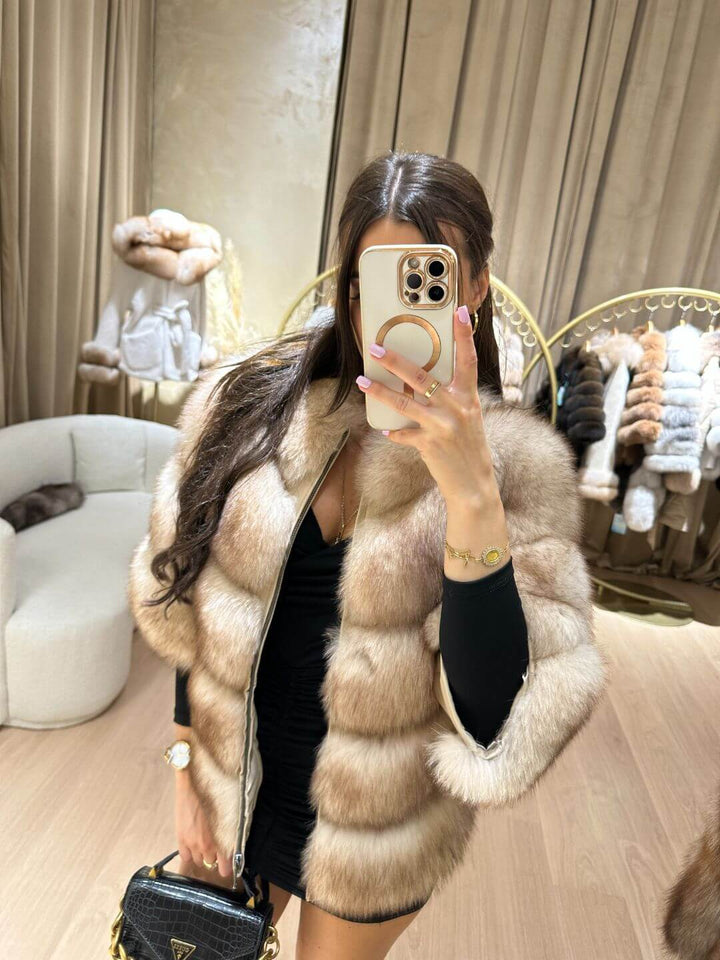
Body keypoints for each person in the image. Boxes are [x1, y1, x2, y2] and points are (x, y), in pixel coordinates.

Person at [128, 149, 608, 960]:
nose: (390, 310)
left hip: (374, 828)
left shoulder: (518, 473)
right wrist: (185, 769)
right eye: (371, 282)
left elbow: (492, 717)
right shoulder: (248, 409)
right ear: (348, 288)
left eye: (429, 278)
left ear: (475, 287)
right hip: (235, 784)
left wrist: (472, 497)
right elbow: (191, 604)